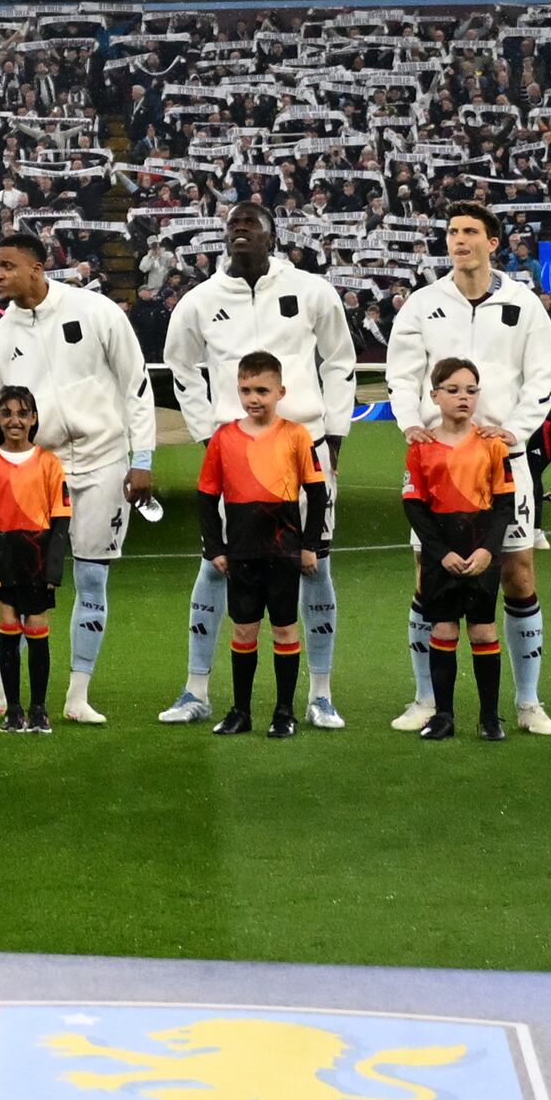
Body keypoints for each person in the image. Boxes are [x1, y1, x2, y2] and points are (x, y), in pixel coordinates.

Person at [159, 204, 358, 730]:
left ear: (273, 236)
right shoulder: (200, 301)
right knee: (217, 563)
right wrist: (208, 434)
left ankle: (321, 694)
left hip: (304, 444)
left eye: (252, 223)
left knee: (316, 564)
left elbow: (340, 360)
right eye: (233, 224)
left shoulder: (312, 291)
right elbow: (180, 365)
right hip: (238, 451)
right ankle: (196, 689)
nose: (240, 229)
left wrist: (335, 432)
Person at [388, 205, 551, 733]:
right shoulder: (423, 304)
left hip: (500, 457)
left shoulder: (523, 304)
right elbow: (400, 374)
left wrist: (517, 430)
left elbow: (543, 376)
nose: (458, 240)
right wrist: (409, 424)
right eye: (451, 232)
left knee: (517, 572)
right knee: (429, 573)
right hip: (436, 459)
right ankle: (425, 698)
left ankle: (528, 703)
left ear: (494, 242)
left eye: (469, 232)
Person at [0, 228, 143, 728]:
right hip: (37, 471)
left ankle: (78, 694)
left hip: (103, 460)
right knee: (16, 585)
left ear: (36, 268)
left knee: (92, 576)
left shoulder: (95, 312)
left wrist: (145, 457)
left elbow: (135, 384)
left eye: (7, 266)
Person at [198, 351, 323, 737]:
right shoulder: (224, 438)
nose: (254, 398)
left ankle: (284, 712)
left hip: (284, 550)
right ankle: (241, 711)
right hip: (241, 551)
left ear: (280, 391)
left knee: (285, 630)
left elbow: (316, 495)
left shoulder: (296, 435)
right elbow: (206, 496)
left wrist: (309, 545)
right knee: (243, 631)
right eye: (246, 390)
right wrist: (216, 548)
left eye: (262, 391)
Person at [399, 358, 518, 744]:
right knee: (444, 627)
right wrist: (439, 553)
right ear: (434, 396)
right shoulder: (422, 447)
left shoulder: (492, 445)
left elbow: (504, 506)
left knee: (483, 631)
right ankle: (443, 715)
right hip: (442, 552)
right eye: (452, 390)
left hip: (480, 548)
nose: (463, 397)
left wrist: (487, 551)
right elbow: (414, 505)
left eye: (470, 390)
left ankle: (489, 717)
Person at [0, 384, 71, 736]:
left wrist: (53, 568)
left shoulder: (49, 463)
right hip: (2, 558)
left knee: (37, 631)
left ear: (34, 419)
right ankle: (13, 709)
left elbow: (61, 520)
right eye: (7, 413)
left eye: (22, 413)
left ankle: (39, 709)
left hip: (36, 557)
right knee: (8, 631)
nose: (15, 420)